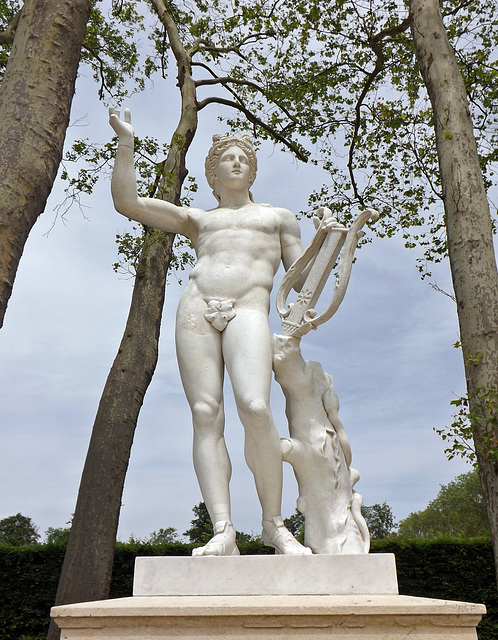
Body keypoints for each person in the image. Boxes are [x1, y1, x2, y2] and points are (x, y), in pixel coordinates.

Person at [109, 108, 315, 555]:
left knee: (256, 407)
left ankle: (274, 525)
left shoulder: (278, 217)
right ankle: (223, 529)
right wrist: (126, 142)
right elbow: (130, 204)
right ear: (213, 173)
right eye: (228, 157)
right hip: (197, 309)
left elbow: (302, 275)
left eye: (245, 156)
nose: (238, 161)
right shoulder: (199, 220)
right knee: (205, 413)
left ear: (253, 170)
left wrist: (330, 244)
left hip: (249, 310)